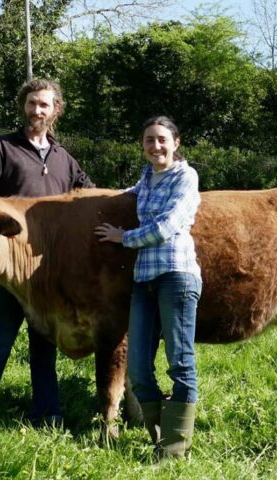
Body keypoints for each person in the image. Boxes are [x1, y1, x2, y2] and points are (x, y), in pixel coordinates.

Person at [0, 78, 95, 428]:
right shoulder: (2, 148)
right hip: (8, 270)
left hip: (47, 271)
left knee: (44, 344)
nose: (37, 110)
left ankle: (47, 413)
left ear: (56, 110)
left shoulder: (64, 159)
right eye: (32, 103)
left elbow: (91, 194)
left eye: (45, 105)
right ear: (24, 105)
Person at [94, 115, 202, 459]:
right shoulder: (147, 177)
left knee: (180, 362)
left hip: (177, 276)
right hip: (144, 280)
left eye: (161, 140)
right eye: (148, 141)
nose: (155, 146)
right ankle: (160, 438)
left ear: (176, 143)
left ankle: (174, 449)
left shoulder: (186, 177)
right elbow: (127, 195)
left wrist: (123, 238)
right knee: (138, 368)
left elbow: (168, 225)